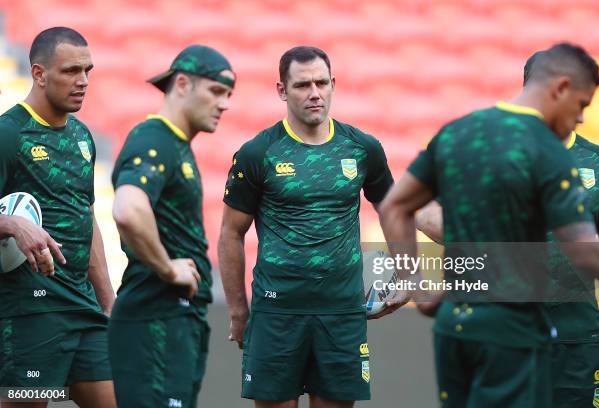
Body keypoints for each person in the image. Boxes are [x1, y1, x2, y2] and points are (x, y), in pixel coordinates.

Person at [377, 42, 599, 407]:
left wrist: (415, 285)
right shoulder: (547, 152)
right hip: (515, 335)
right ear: (561, 88)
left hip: (457, 330)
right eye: (581, 105)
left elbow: (395, 206)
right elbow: (583, 250)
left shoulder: (458, 133)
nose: (581, 118)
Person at [218, 46, 393, 408]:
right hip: (277, 311)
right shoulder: (258, 153)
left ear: (333, 84)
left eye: (322, 83)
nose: (315, 93)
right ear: (282, 90)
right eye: (302, 85)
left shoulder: (362, 148)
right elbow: (231, 233)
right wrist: (238, 311)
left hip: (342, 312)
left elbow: (393, 210)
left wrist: (407, 277)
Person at [108, 45, 235, 408]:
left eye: (228, 94)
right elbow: (128, 209)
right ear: (182, 84)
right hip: (155, 319)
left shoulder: (175, 144)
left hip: (172, 319)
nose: (224, 103)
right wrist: (167, 268)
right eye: (215, 90)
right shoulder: (155, 138)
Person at [0, 27, 116, 407]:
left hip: (82, 308)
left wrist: (108, 299)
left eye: (87, 70)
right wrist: (13, 224)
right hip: (32, 311)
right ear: (38, 73)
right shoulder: (9, 134)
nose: (83, 81)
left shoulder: (82, 137)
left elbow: (86, 216)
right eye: (70, 71)